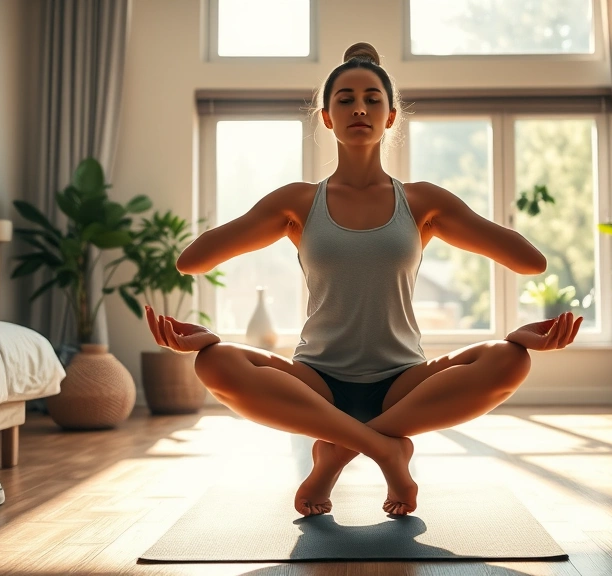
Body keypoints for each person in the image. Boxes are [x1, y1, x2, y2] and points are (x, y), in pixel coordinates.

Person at [145, 42, 583, 518]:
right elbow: (192, 261)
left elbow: (529, 262)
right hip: (317, 382)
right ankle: (386, 448)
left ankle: (335, 453)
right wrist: (264, 212)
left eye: (373, 98)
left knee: (509, 360)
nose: (359, 108)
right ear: (327, 117)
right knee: (215, 363)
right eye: (345, 99)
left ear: (391, 116)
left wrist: (459, 213)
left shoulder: (421, 202)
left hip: (403, 381)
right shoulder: (297, 202)